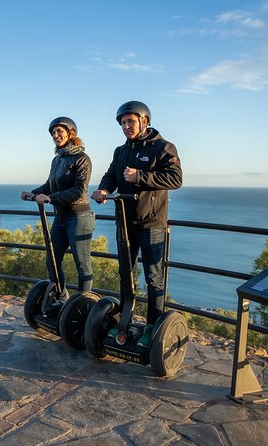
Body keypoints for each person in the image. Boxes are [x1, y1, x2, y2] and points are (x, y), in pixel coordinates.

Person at [92, 100, 182, 347]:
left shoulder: (164, 147)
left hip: (152, 223)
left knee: (154, 277)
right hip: (125, 222)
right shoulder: (121, 151)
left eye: (130, 121)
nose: (126, 126)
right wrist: (102, 189)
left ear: (144, 120)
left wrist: (140, 176)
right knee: (125, 273)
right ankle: (125, 320)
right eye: (122, 123)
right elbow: (112, 175)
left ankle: (153, 325)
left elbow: (176, 178)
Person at [21, 117, 95, 297]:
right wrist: (32, 193)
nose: (55, 135)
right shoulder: (57, 160)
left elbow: (79, 190)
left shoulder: (82, 159)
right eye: (53, 133)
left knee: (82, 264)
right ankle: (60, 298)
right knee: (52, 260)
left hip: (78, 217)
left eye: (59, 131)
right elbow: (49, 185)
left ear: (71, 133)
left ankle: (83, 304)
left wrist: (49, 198)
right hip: (61, 217)